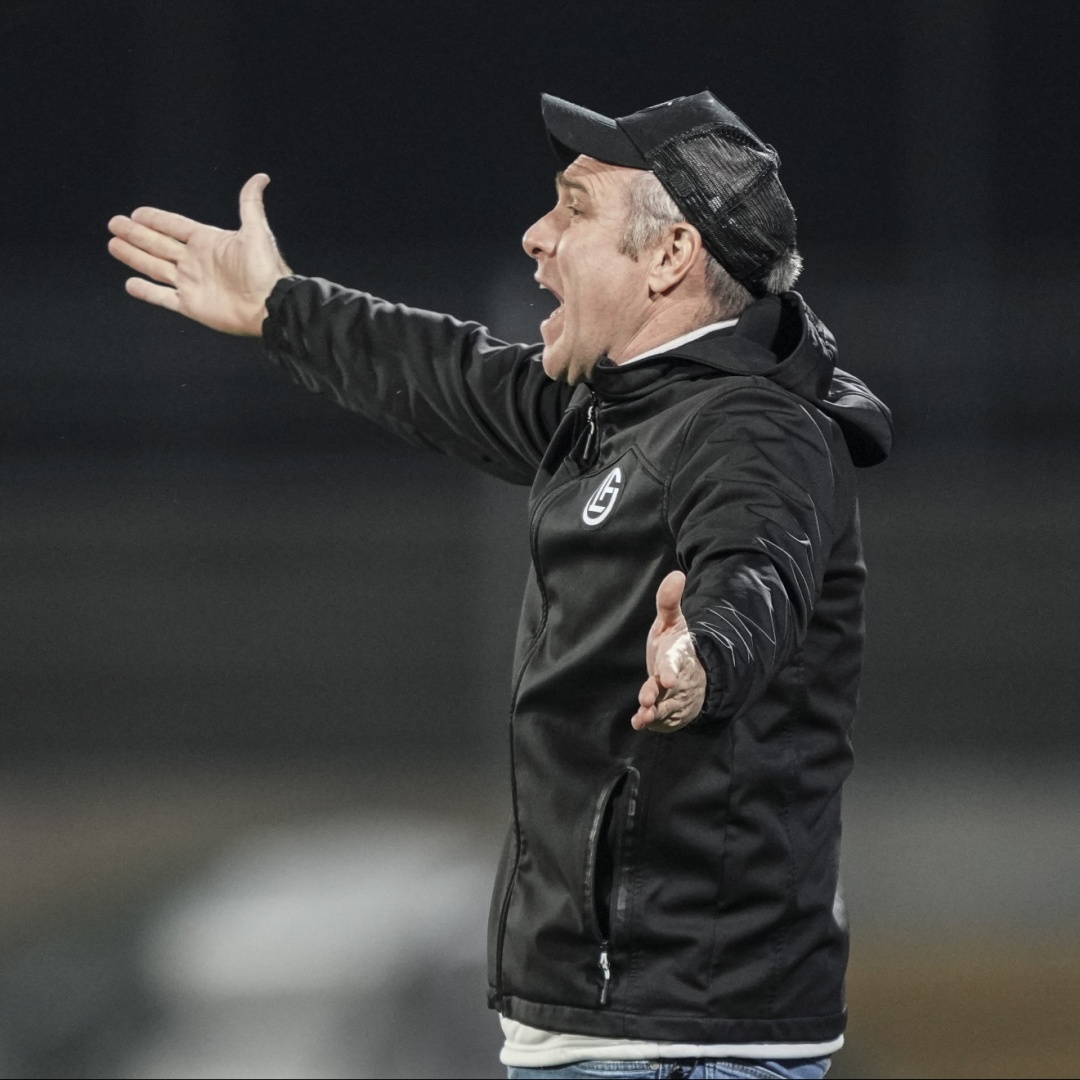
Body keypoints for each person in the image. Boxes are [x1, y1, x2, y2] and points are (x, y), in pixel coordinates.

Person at [108, 91, 891, 1080]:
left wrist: (707, 654)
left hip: (680, 1038)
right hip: (617, 1025)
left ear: (669, 255)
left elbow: (759, 572)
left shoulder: (753, 426)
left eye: (575, 207)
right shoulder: (618, 413)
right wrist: (281, 306)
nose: (537, 236)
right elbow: (448, 372)